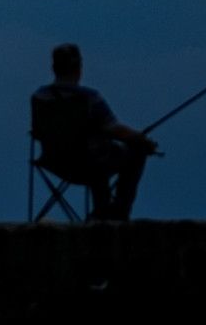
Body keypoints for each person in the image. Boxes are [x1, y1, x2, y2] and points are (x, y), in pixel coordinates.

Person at [31, 43, 158, 221]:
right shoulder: (89, 98)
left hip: (54, 162)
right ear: (79, 68)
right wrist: (141, 140)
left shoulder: (39, 97)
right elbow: (115, 129)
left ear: (54, 68)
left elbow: (37, 132)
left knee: (100, 155)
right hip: (89, 164)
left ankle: (103, 211)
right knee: (134, 153)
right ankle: (116, 212)